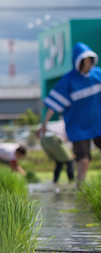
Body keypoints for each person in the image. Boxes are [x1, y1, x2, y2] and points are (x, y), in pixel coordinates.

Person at [39, 42, 101, 186]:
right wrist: (43, 125)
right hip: (78, 126)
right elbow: (52, 106)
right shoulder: (68, 81)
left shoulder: (98, 74)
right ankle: (80, 188)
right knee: (84, 159)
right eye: (84, 62)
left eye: (90, 61)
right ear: (78, 62)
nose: (88, 65)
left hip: (98, 123)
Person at [39, 119, 75, 184]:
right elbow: (70, 138)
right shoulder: (67, 123)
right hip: (52, 138)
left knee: (59, 161)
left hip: (43, 139)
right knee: (70, 159)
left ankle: (55, 181)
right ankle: (71, 181)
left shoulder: (59, 122)